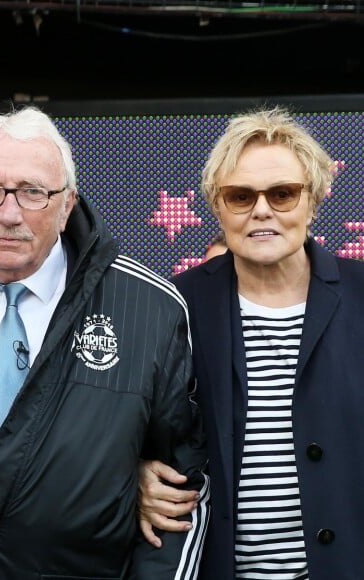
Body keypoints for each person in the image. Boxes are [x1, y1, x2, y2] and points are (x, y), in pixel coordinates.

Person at [0, 106, 210, 579]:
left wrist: (122, 474)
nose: (10, 214)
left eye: (34, 192)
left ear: (67, 204)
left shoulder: (149, 309)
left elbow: (182, 490)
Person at [138, 107, 364, 579]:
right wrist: (134, 474)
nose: (262, 210)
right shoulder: (173, 304)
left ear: (314, 199)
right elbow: (117, 418)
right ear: (218, 208)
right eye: (241, 196)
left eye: (282, 194)